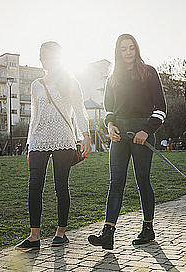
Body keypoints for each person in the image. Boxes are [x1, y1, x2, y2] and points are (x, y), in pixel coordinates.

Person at [88, 33, 167, 250]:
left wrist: (146, 130)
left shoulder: (149, 72)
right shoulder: (112, 78)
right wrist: (110, 126)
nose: (128, 52)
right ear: (118, 52)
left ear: (137, 49)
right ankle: (108, 233)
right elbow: (109, 110)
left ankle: (148, 228)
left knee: (142, 180)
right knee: (116, 182)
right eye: (124, 49)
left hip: (142, 133)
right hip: (119, 135)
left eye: (131, 48)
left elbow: (161, 109)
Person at [16, 41, 91, 251]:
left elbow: (79, 110)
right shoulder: (36, 85)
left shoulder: (70, 82)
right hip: (39, 139)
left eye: (51, 55)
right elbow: (34, 116)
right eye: (43, 56)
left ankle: (61, 232)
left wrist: (85, 136)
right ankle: (34, 236)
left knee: (60, 186)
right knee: (34, 187)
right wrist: (29, 144)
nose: (46, 59)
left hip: (63, 139)